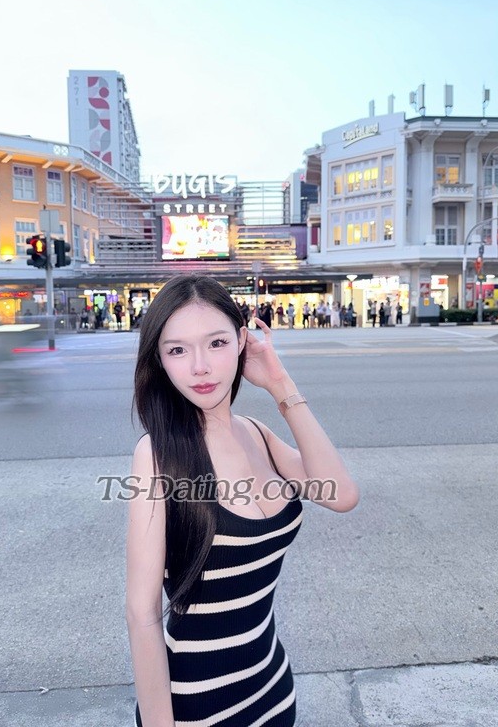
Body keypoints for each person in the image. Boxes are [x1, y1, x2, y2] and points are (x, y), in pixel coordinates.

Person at [127, 275, 359, 727]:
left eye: (216, 343)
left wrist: (280, 383)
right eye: (177, 350)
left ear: (241, 341)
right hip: (198, 704)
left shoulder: (257, 433)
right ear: (159, 360)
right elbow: (141, 613)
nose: (200, 367)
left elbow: (341, 493)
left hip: (272, 688)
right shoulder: (158, 455)